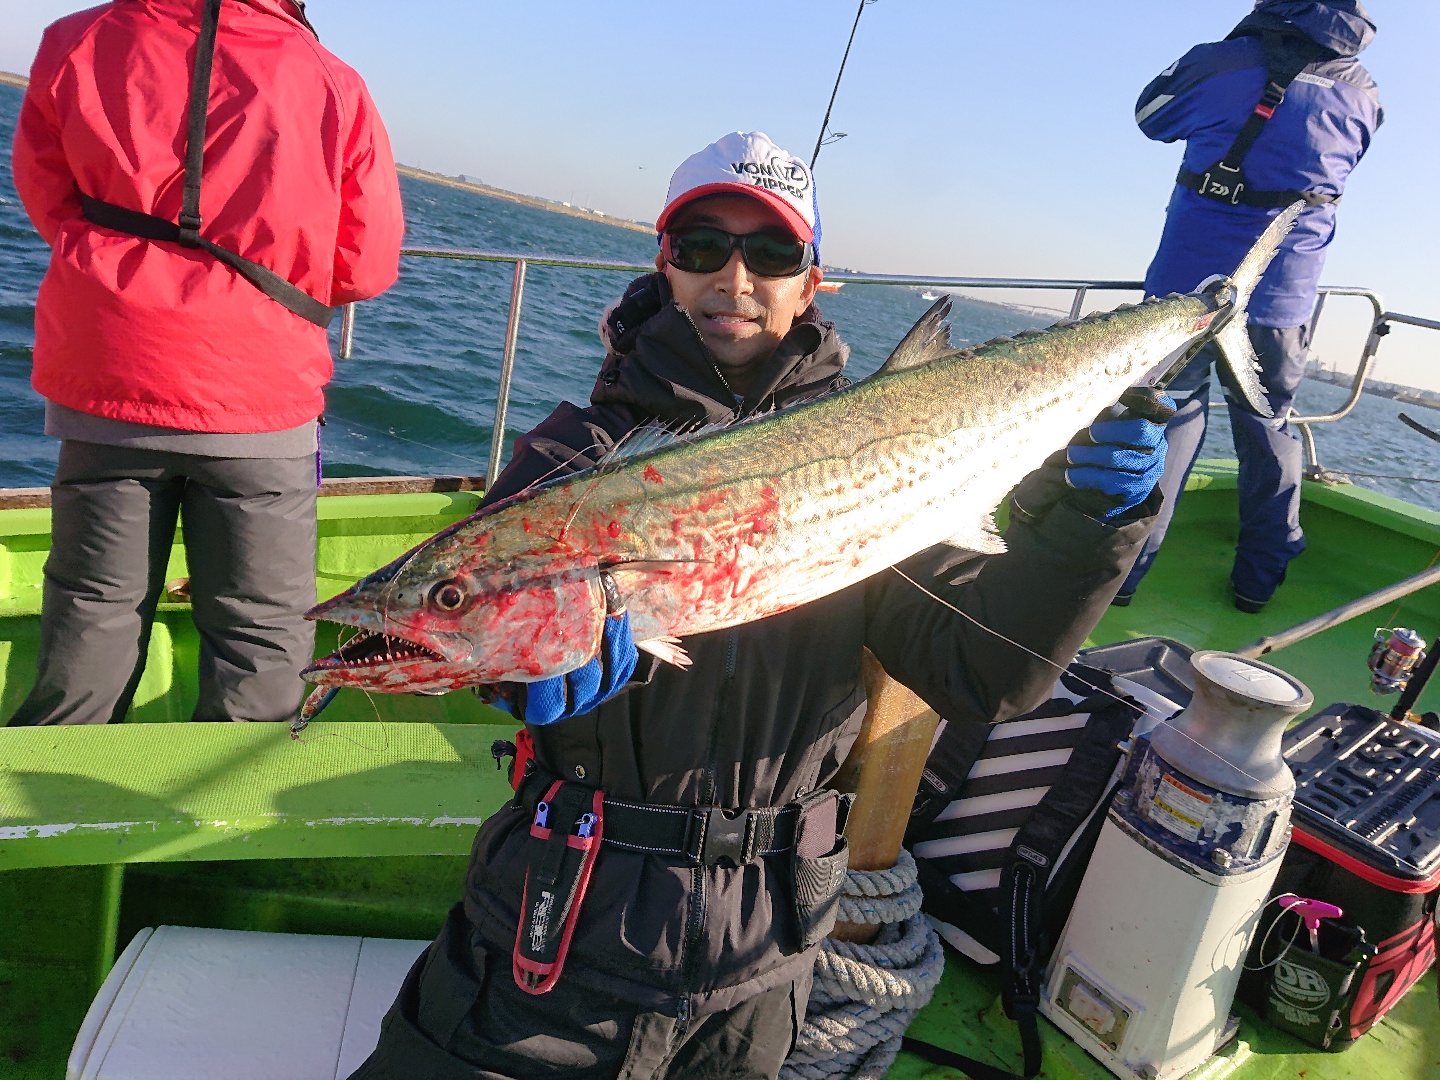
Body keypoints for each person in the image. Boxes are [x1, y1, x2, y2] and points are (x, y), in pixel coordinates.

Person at [349, 131, 1168, 1080]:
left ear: (809, 282)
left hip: (765, 949)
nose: (734, 276)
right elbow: (485, 613)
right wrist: (517, 687)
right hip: (559, 921)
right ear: (665, 265)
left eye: (770, 253)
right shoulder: (573, 453)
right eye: (703, 246)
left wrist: (1091, 529)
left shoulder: (875, 466)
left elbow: (985, 674)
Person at [8, 0, 404, 725]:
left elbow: (48, 196)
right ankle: (216, 826)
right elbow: (366, 267)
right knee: (261, 636)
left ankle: (52, 819)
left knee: (91, 618)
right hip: (260, 394)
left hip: (108, 376)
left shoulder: (79, 39)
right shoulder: (334, 84)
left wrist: (126, 276)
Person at [1117, 0, 1381, 613]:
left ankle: (1123, 571)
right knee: (1267, 426)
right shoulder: (1365, 92)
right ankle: (1256, 581)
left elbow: (1150, 116)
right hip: (1284, 295)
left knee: (1165, 414)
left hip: (1187, 287)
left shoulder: (1222, 61)